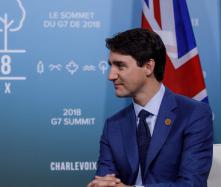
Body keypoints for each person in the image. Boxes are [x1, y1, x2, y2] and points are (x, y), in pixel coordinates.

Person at [87, 28, 213, 187]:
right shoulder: (113, 126)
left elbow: (192, 184)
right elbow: (105, 180)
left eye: (120, 66)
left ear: (148, 66)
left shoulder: (194, 114)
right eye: (111, 66)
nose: (111, 76)